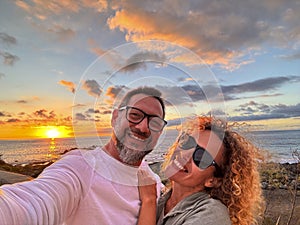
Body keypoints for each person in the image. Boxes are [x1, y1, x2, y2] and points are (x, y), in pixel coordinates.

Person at [0, 86, 167, 225]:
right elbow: (31, 204)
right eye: (135, 115)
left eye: (155, 123)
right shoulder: (80, 168)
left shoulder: (153, 181)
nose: (143, 127)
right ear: (115, 118)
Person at [138, 116, 265, 225]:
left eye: (201, 156)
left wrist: (148, 201)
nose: (185, 155)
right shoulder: (161, 197)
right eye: (187, 142)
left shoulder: (213, 214)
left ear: (213, 180)